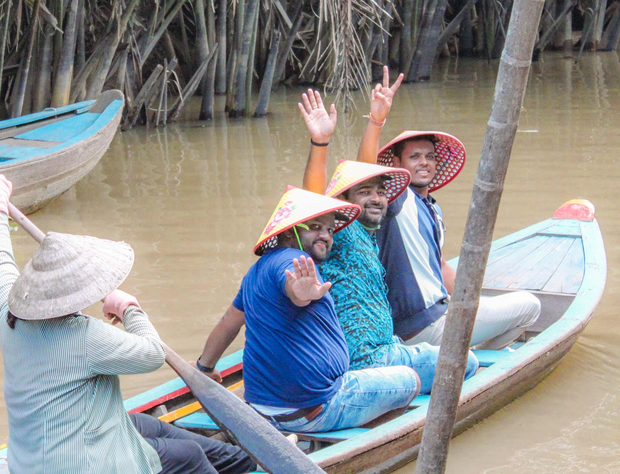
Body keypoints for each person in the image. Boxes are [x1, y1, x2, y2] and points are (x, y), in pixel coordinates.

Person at [0, 174, 256, 474]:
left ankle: (244, 460)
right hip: (86, 466)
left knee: (145, 424)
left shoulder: (9, 318)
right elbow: (152, 353)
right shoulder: (84, 337)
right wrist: (129, 308)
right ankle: (243, 461)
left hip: (31, 462)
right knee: (189, 455)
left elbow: (0, 262)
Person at [297, 83, 477, 393]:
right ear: (346, 202)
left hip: (389, 347)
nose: (378, 199)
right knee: (452, 367)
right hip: (364, 360)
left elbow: (367, 176)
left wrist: (377, 120)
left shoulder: (372, 238)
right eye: (365, 194)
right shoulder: (340, 230)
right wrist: (321, 141)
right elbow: (315, 199)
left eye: (382, 193)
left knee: (466, 362)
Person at [195, 186, 420, 434]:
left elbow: (229, 322)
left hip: (266, 410)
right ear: (290, 232)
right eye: (315, 227)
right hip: (316, 408)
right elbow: (292, 284)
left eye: (329, 230)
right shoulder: (292, 260)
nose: (325, 235)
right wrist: (300, 294)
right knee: (411, 379)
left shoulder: (256, 271)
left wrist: (205, 367)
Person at [375, 132, 541, 348]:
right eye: (414, 157)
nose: (424, 162)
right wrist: (376, 123)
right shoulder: (397, 200)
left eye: (430, 156)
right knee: (531, 306)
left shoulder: (432, 209)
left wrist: (477, 302)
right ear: (397, 164)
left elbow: (442, 266)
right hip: (423, 327)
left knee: (491, 306)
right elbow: (369, 176)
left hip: (442, 312)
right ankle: (470, 359)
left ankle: (465, 354)